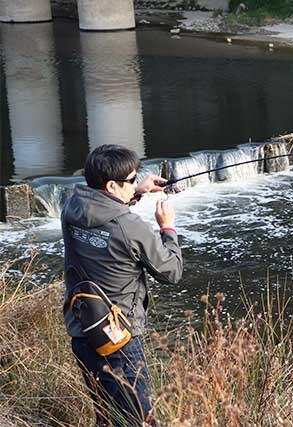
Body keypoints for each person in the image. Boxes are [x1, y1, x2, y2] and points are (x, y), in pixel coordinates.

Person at [62, 144, 183, 426]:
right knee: (142, 421)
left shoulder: (70, 206)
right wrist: (167, 229)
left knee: (107, 418)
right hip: (119, 340)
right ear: (112, 185)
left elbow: (101, 212)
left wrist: (136, 191)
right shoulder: (131, 227)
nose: (134, 183)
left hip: (81, 331)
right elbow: (172, 272)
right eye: (130, 180)